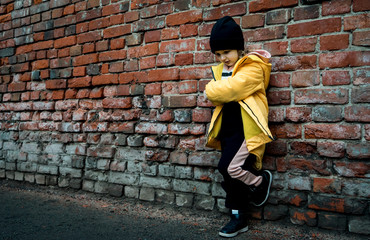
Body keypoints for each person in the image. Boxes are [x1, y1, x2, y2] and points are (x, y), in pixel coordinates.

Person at [204, 16, 275, 238]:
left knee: (229, 168)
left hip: (247, 129)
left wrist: (214, 89)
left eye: (227, 52)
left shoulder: (253, 67)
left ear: (238, 48)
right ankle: (238, 218)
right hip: (227, 128)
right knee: (228, 174)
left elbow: (224, 91)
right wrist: (218, 91)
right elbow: (219, 97)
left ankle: (259, 181)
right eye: (218, 54)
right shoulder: (219, 70)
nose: (222, 58)